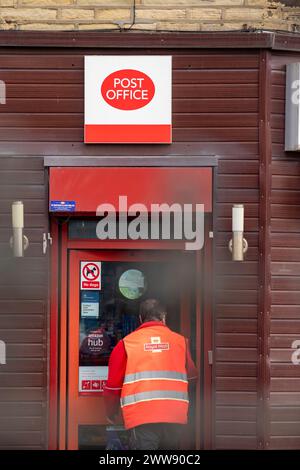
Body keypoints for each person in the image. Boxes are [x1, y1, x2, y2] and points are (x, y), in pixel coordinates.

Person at [103, 298, 197, 450]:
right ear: (164, 317)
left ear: (140, 318)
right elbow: (192, 377)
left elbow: (113, 386)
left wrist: (111, 412)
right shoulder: (181, 342)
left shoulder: (126, 344)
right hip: (174, 416)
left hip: (142, 418)